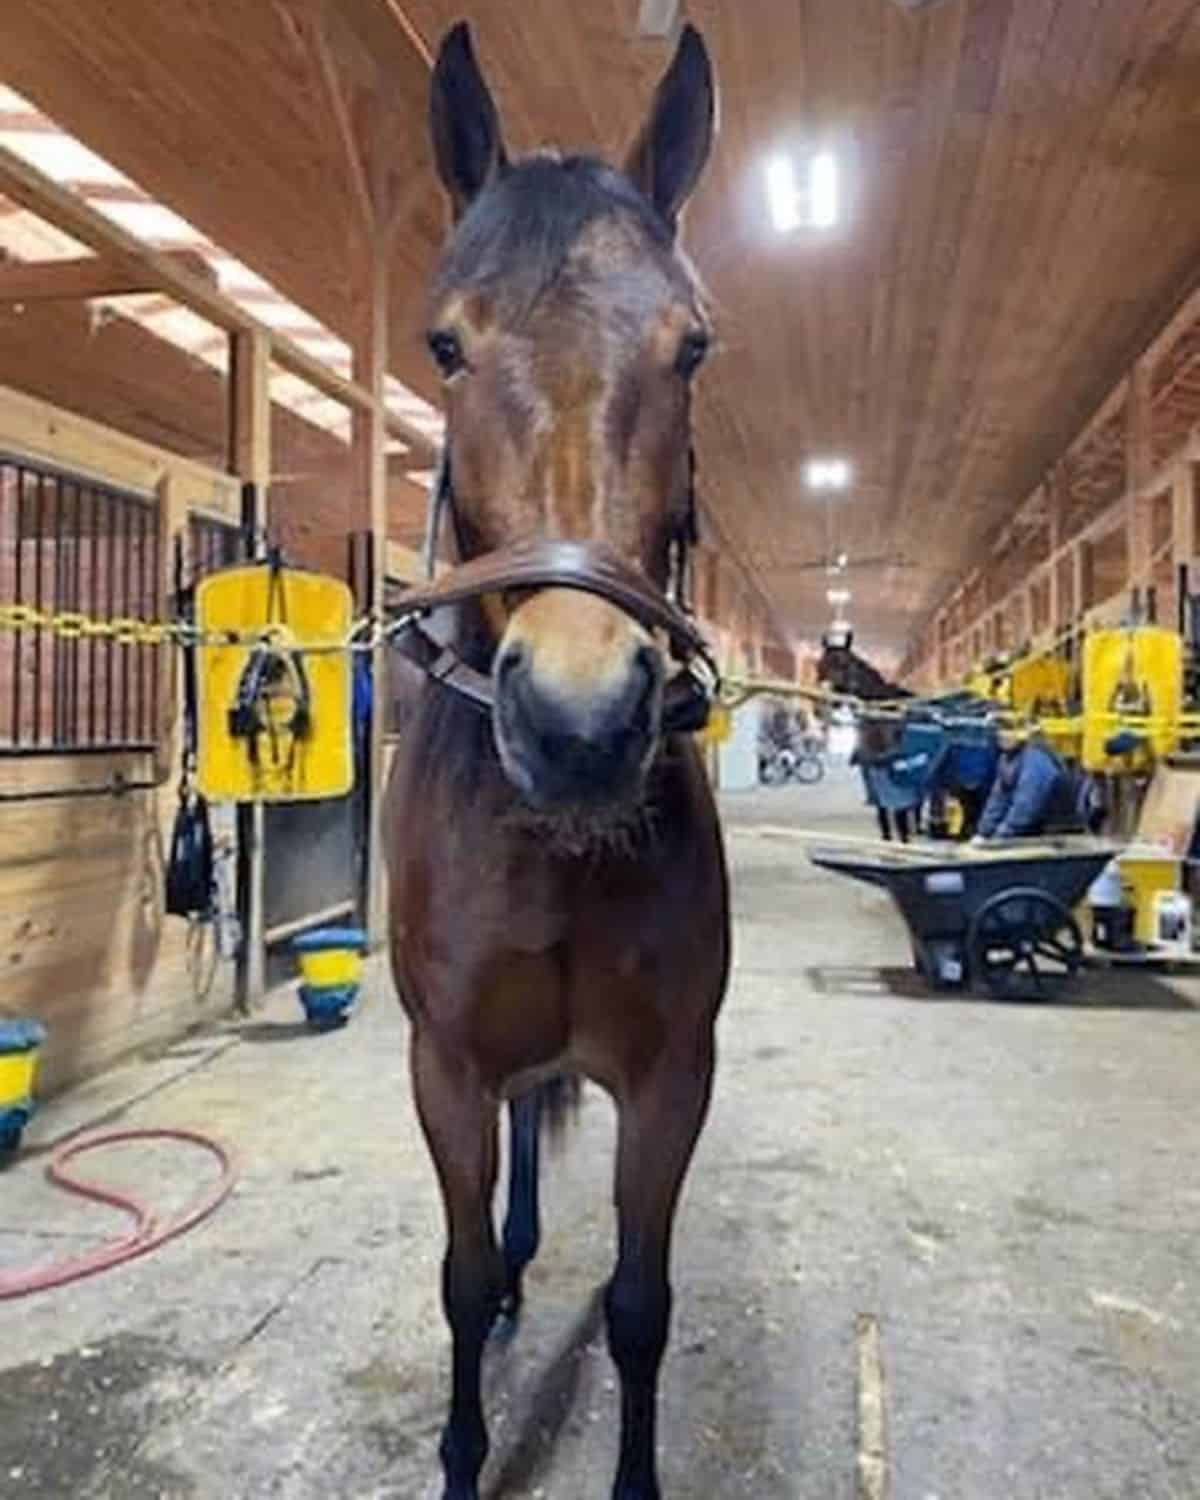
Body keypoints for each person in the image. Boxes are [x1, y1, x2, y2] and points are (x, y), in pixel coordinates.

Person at [971, 719, 1077, 843]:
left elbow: (1027, 803)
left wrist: (1001, 836)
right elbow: (998, 798)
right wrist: (983, 832)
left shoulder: (1036, 758)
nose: (1002, 735)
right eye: (1000, 730)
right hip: (1030, 831)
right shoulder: (1006, 758)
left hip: (1057, 834)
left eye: (1009, 730)